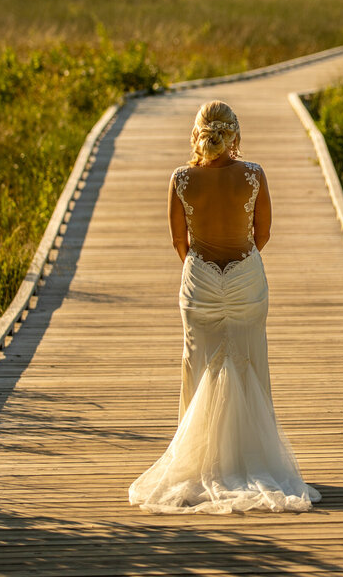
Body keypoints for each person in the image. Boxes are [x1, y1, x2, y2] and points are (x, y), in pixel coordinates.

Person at [129, 100, 320, 514]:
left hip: (200, 283)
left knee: (199, 367)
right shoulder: (253, 175)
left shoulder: (180, 179)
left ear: (198, 133)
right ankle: (254, 459)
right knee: (250, 362)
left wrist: (207, 272)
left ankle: (202, 461)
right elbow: (262, 232)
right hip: (245, 280)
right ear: (234, 133)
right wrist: (239, 267)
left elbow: (180, 244)